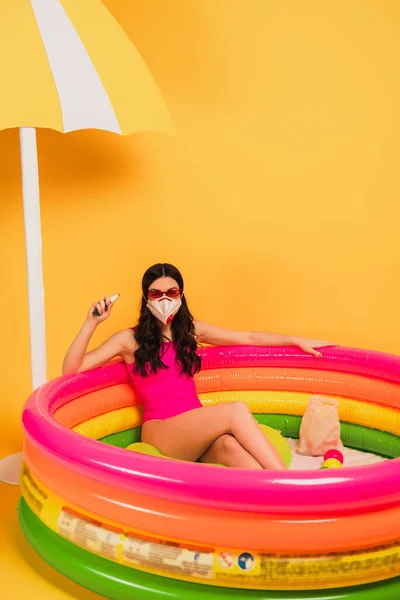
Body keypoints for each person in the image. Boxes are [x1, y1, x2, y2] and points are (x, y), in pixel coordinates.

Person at [62, 263, 331, 470]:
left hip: (197, 429)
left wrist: (296, 340)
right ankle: (291, 485)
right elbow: (72, 369)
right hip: (162, 431)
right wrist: (92, 322)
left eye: (171, 292)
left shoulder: (191, 331)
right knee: (235, 411)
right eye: (156, 293)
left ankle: (275, 516)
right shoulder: (128, 340)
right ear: (146, 299)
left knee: (240, 457)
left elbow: (248, 337)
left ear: (181, 295)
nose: (164, 299)